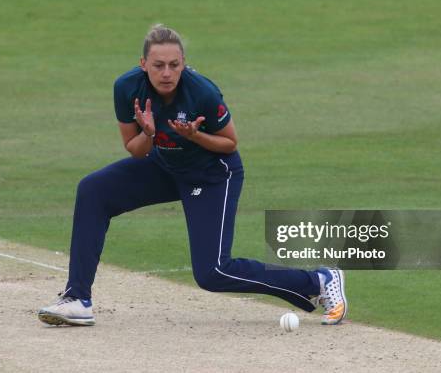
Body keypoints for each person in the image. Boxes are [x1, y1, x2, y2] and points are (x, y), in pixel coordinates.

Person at [38, 24, 347, 326]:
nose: (167, 73)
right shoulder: (126, 88)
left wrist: (195, 136)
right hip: (165, 166)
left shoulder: (202, 92)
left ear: (183, 63)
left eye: (174, 65)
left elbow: (230, 143)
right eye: (158, 65)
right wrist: (148, 132)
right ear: (143, 64)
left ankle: (319, 280)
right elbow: (135, 148)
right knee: (94, 190)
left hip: (212, 174)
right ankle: (78, 299)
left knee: (212, 273)